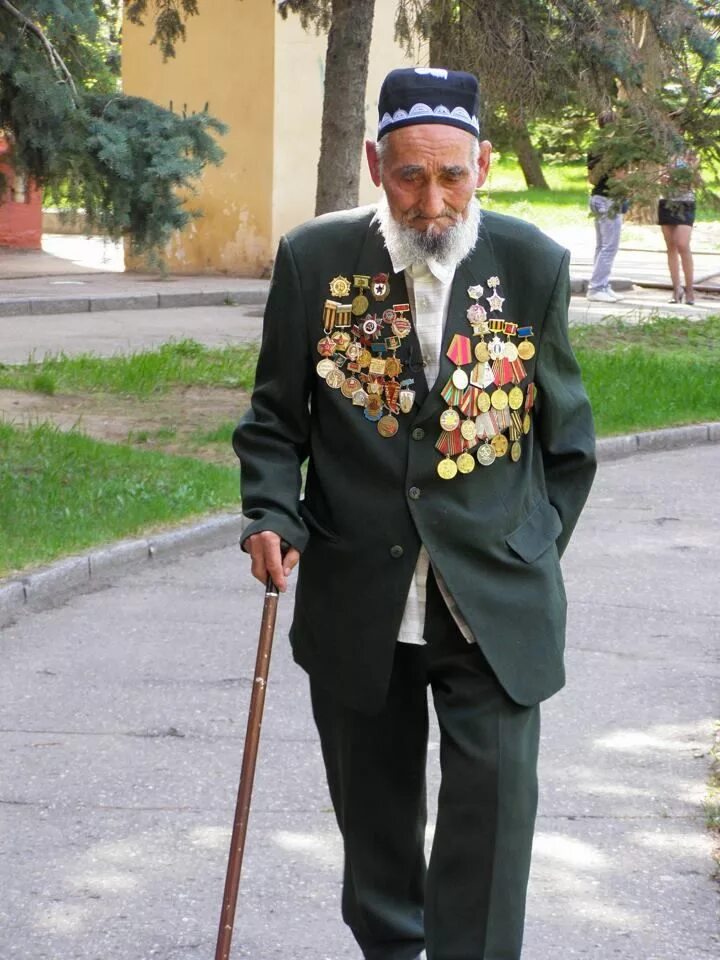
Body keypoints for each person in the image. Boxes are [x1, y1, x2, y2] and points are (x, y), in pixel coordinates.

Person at [233, 67, 596, 960]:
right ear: (373, 164)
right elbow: (277, 421)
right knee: (380, 848)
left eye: (453, 176)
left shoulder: (532, 267)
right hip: (362, 597)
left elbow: (568, 442)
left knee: (493, 830)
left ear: (481, 165)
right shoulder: (315, 262)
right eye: (408, 176)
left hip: (493, 605)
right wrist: (271, 513)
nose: (432, 201)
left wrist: (530, 546)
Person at [586, 111, 628, 303]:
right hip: (609, 200)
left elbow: (591, 177)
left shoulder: (595, 147)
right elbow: (620, 177)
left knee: (601, 246)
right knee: (609, 247)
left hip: (596, 197)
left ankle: (602, 284)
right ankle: (597, 288)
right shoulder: (617, 149)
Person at [658, 149, 699, 304]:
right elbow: (661, 177)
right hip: (666, 201)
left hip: (686, 202)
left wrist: (677, 177)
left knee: (682, 244)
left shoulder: (690, 153)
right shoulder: (664, 152)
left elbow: (691, 179)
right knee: (671, 247)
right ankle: (676, 288)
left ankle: (690, 289)